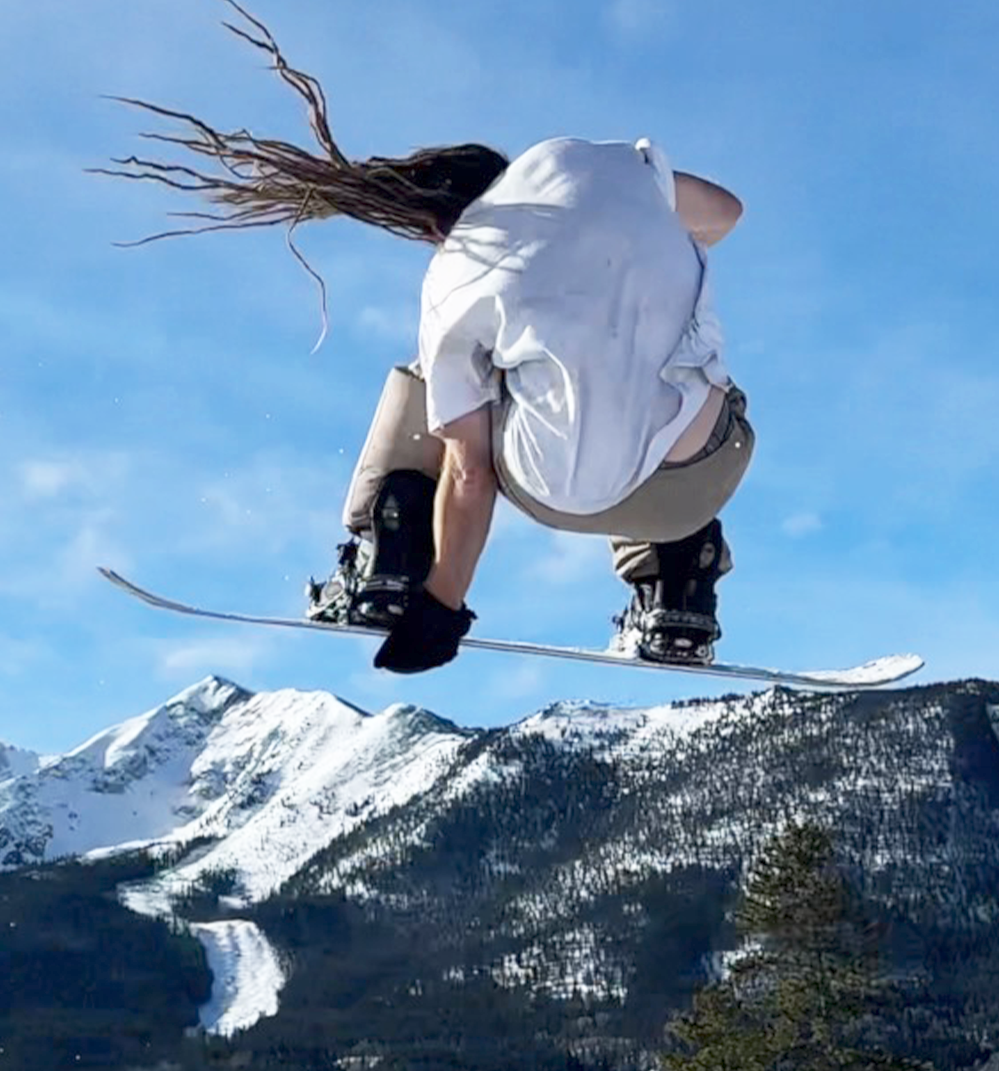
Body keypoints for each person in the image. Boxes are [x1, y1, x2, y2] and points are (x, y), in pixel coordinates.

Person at [103, 6, 751, 676]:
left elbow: (471, 473)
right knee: (674, 367)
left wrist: (444, 605)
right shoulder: (600, 165)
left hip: (560, 494)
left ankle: (389, 563)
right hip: (700, 486)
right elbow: (726, 214)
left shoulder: (456, 272)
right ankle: (679, 593)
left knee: (433, 382)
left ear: (433, 226)